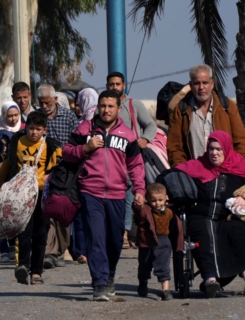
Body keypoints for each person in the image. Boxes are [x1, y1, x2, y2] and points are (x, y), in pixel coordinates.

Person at [62, 89, 146, 301]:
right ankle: (99, 283)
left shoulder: (127, 134)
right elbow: (67, 152)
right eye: (103, 106)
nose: (106, 110)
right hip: (91, 192)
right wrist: (85, 148)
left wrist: (139, 190)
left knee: (115, 241)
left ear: (119, 108)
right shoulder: (85, 128)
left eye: (110, 106)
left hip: (118, 194)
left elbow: (136, 165)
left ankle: (109, 276)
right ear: (97, 107)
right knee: (97, 238)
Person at [174, 130, 245, 298]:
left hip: (230, 215)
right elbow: (171, 175)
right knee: (203, 236)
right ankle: (210, 280)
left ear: (226, 149)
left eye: (218, 149)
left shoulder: (238, 165)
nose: (214, 153)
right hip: (202, 215)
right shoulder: (198, 166)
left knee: (242, 232)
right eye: (211, 149)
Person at [0, 112, 61, 285]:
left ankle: (37, 272)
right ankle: (23, 266)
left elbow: (57, 171)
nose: (34, 133)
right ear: (26, 127)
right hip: (21, 196)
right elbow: (7, 166)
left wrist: (51, 183)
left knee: (40, 234)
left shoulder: (52, 146)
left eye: (38, 129)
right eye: (31, 128)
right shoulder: (16, 142)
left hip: (42, 196)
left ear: (44, 130)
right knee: (23, 232)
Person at [106, 71, 158, 249]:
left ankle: (125, 234)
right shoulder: (104, 105)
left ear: (123, 85)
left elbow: (151, 125)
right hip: (110, 161)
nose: (114, 87)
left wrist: (145, 139)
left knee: (130, 195)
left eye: (117, 84)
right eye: (111, 85)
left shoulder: (133, 105)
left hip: (131, 158)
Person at [167, 64, 245, 167]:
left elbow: (241, 142)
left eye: (205, 83)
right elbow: (174, 148)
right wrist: (183, 172)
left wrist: (241, 168)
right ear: (191, 85)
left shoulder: (227, 107)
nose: (201, 87)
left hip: (226, 174)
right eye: (197, 83)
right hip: (194, 176)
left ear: (212, 84)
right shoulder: (181, 111)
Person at [36, 84, 78, 268]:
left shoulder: (69, 117)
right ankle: (49, 252)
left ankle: (60, 250)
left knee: (62, 212)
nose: (44, 106)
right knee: (47, 212)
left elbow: (77, 141)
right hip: (43, 172)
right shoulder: (36, 118)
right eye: (40, 103)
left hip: (65, 172)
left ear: (54, 100)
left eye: (47, 102)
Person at [134, 183, 183, 301]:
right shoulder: (146, 209)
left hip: (163, 241)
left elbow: (177, 228)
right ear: (148, 199)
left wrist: (180, 243)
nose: (157, 203)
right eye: (153, 200)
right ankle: (143, 282)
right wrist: (138, 205)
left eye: (160, 200)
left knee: (163, 265)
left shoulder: (170, 212)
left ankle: (165, 290)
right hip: (147, 241)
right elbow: (139, 213)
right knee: (144, 265)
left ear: (166, 197)